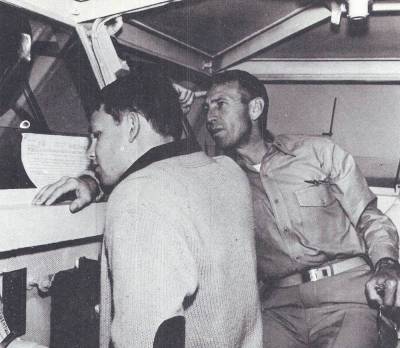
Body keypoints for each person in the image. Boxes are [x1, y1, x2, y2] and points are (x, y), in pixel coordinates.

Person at [34, 69, 400, 348]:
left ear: (255, 108)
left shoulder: (318, 154)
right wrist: (92, 181)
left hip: (347, 291)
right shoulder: (219, 173)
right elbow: (159, 165)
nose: (209, 117)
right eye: (206, 107)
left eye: (220, 105)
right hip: (277, 304)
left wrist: (386, 264)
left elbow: (369, 217)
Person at [35, 68, 262, 348]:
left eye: (97, 135)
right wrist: (94, 181)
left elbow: (146, 336)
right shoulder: (230, 173)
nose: (91, 152)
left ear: (131, 126)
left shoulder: (138, 195)